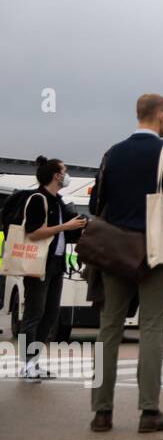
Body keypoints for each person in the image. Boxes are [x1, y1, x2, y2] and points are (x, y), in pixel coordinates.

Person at [90, 94, 163, 433]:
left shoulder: (113, 153)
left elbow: (96, 202)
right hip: (153, 252)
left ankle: (101, 412)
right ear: (161, 115)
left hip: (115, 250)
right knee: (151, 327)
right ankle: (149, 411)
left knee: (109, 329)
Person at [17, 156, 87, 380]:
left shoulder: (57, 200)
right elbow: (33, 232)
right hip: (38, 264)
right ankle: (26, 364)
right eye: (64, 171)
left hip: (55, 265)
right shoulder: (39, 199)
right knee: (33, 314)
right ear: (56, 175)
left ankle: (34, 363)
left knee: (50, 315)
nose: (67, 175)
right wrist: (64, 226)